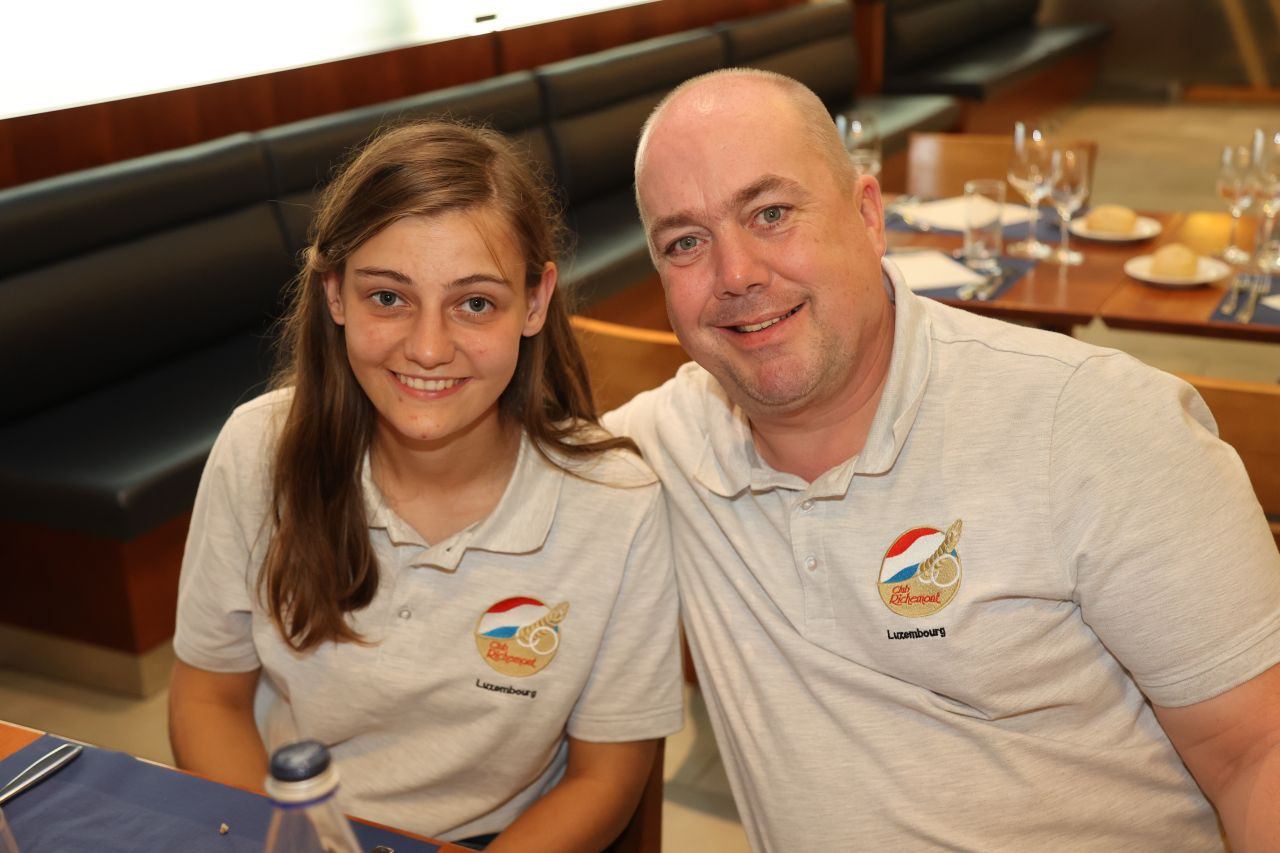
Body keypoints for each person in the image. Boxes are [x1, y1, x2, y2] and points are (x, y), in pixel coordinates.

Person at [605, 68, 1280, 851]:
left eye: (772, 213)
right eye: (685, 242)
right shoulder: (660, 448)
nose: (736, 274)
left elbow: (1256, 751)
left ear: (868, 215)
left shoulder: (1096, 423)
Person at [168, 120, 683, 851]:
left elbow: (606, 775)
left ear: (535, 303)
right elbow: (208, 697)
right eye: (388, 298)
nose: (429, 348)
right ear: (335, 294)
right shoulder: (259, 450)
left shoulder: (616, 503)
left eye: (474, 303)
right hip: (291, 824)